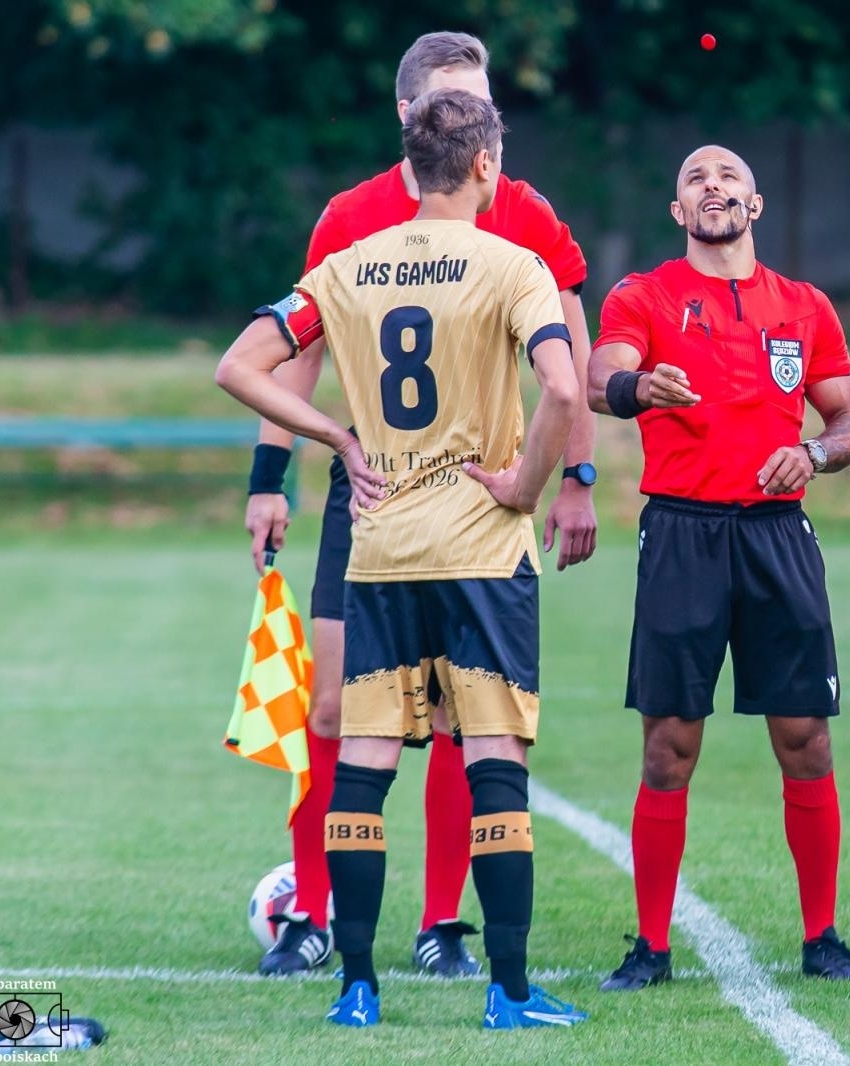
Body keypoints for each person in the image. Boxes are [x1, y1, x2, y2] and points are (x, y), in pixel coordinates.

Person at [216, 88, 587, 1030]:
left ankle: (357, 989)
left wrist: (338, 440)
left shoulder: (345, 267)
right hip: (481, 550)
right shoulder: (515, 265)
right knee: (493, 755)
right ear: (486, 167)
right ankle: (508, 993)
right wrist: (526, 485)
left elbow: (238, 366)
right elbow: (562, 387)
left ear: (412, 168)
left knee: (365, 760)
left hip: (378, 549)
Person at [586, 145, 850, 990]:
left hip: (778, 535)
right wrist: (642, 388)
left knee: (805, 739)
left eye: (728, 177)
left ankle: (822, 937)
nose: (713, 186)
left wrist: (813, 454)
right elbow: (602, 379)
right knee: (668, 746)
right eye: (695, 179)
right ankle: (651, 947)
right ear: (679, 211)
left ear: (755, 203)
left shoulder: (804, 305)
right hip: (683, 533)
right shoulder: (643, 296)